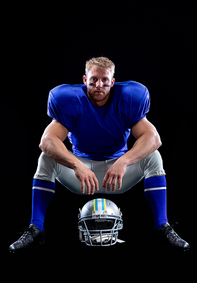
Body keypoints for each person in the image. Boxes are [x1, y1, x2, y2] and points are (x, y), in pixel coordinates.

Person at [9, 57, 190, 252]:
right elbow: (47, 141)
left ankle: (161, 226)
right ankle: (36, 228)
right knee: (46, 158)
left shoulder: (127, 99)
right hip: (81, 175)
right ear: (85, 80)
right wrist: (77, 165)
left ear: (113, 82)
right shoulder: (71, 101)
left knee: (153, 157)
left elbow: (153, 138)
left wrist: (123, 161)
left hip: (118, 173)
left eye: (104, 80)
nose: (99, 85)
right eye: (94, 79)